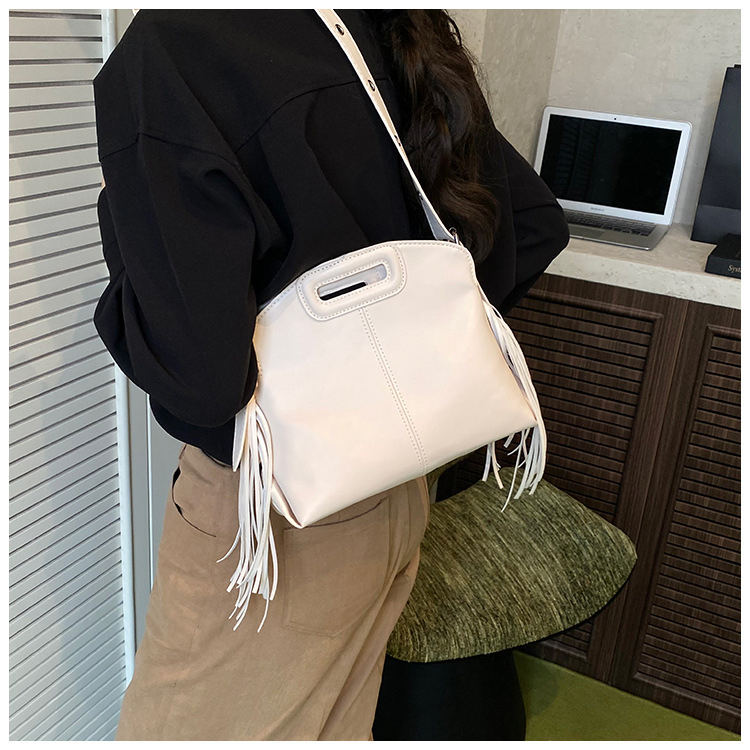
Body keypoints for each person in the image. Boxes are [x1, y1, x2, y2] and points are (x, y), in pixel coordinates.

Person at [93, 9, 570, 741]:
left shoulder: (173, 51)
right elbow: (533, 223)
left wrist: (122, 244)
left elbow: (201, 381)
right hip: (399, 490)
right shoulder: (376, 23)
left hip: (272, 518)